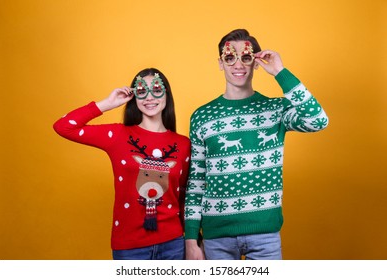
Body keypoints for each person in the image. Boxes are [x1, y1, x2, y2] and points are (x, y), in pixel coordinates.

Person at [184, 29, 329, 260]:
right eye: (230, 58)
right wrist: (191, 239)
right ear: (220, 63)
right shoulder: (203, 116)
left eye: (246, 57)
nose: (238, 64)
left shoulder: (276, 110)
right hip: (216, 237)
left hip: (265, 236)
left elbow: (318, 120)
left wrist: (280, 72)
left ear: (257, 62)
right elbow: (196, 182)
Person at [53, 68, 191, 260]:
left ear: (167, 94)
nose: (149, 97)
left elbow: (183, 195)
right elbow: (64, 126)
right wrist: (108, 104)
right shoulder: (118, 136)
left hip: (173, 244)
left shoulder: (183, 145)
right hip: (130, 246)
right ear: (134, 96)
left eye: (157, 89)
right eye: (142, 91)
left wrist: (192, 240)